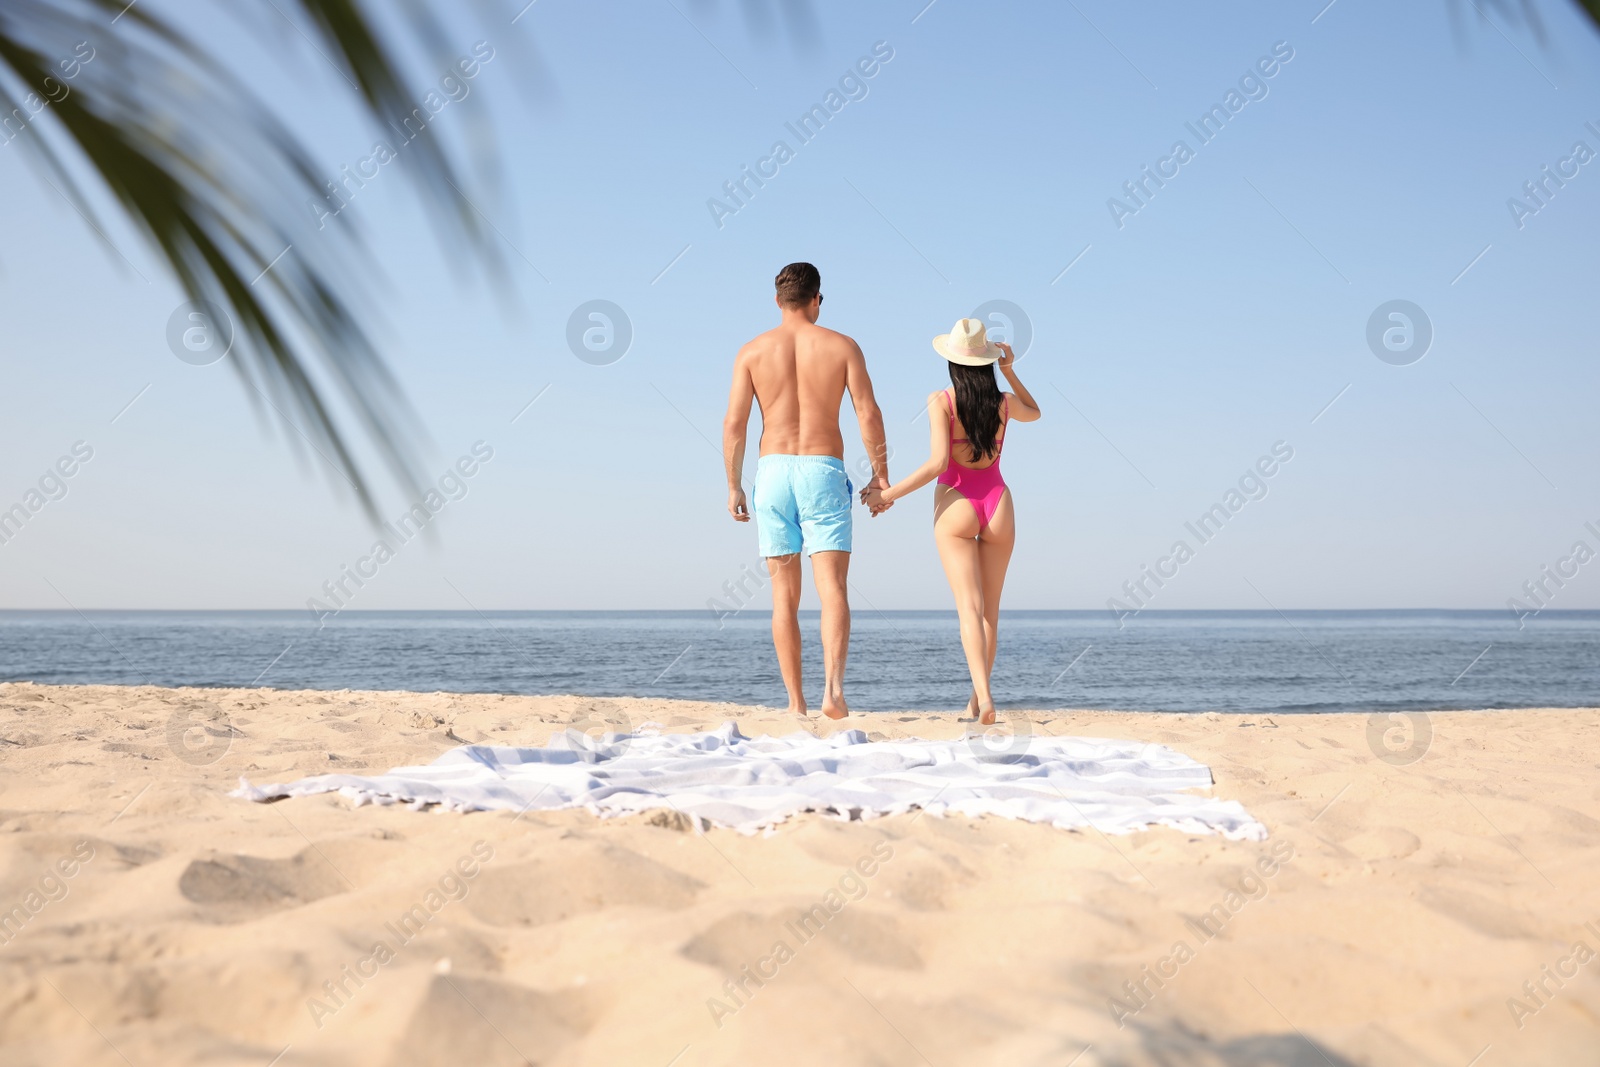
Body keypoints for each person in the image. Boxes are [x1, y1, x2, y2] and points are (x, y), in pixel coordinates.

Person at [723, 263, 890, 719]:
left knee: (783, 598)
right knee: (832, 586)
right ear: (817, 299)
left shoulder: (752, 351)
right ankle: (832, 692)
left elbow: (734, 425)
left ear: (778, 301)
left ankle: (795, 704)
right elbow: (867, 413)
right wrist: (881, 474)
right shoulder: (842, 346)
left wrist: (734, 484)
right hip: (822, 468)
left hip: (772, 472)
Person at [859, 318, 1041, 725]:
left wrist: (887, 496)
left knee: (968, 610)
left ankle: (985, 699)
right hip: (999, 504)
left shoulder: (940, 400)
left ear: (953, 362)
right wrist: (1009, 370)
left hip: (956, 502)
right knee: (989, 612)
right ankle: (977, 702)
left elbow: (938, 463)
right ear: (987, 362)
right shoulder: (1004, 403)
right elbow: (1037, 412)